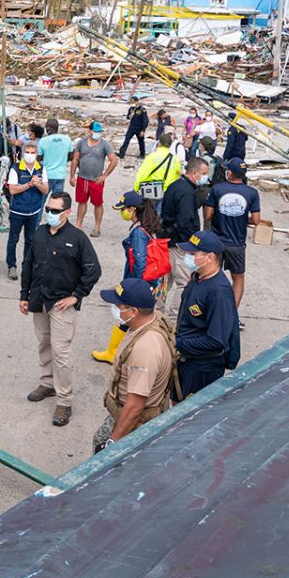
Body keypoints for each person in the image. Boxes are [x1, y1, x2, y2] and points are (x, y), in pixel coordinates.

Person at [19, 192, 101, 427]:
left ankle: (64, 400)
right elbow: (28, 264)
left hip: (61, 304)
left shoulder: (78, 238)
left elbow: (93, 270)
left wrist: (76, 296)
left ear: (67, 213)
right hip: (39, 300)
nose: (50, 214)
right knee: (44, 343)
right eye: (48, 209)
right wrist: (24, 295)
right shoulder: (40, 233)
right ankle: (47, 384)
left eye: (55, 211)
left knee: (60, 352)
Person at [92, 279, 178, 453]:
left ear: (133, 311)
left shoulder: (145, 349)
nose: (115, 309)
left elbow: (135, 406)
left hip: (137, 424)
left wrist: (112, 444)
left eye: (118, 305)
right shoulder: (153, 319)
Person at [93, 191, 165, 362]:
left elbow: (140, 261)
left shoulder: (139, 232)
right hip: (151, 281)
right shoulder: (147, 225)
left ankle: (115, 353)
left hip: (139, 281)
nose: (122, 212)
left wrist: (135, 287)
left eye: (124, 208)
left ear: (132, 209)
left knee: (128, 316)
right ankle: (114, 351)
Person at [175, 231, 240, 398]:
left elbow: (216, 340)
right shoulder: (197, 277)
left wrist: (178, 344)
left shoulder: (219, 292)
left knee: (188, 416)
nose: (187, 257)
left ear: (210, 257)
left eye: (192, 254)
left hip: (202, 368)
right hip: (186, 360)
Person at [204, 158, 261, 313]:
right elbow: (256, 221)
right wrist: (241, 217)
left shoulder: (217, 189)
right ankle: (230, 314)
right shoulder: (252, 193)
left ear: (229, 172)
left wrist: (221, 214)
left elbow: (208, 215)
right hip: (237, 244)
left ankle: (209, 311)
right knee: (238, 279)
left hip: (217, 242)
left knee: (210, 275)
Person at [161, 157, 209, 320]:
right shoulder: (186, 193)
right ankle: (174, 317)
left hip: (169, 241)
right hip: (180, 245)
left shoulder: (176, 185)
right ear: (194, 173)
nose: (206, 177)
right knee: (183, 282)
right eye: (204, 173)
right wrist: (191, 246)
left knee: (165, 281)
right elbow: (186, 221)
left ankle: (157, 313)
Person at [6, 140, 49, 281]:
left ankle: (27, 265)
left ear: (37, 154)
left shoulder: (41, 169)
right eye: (28, 152)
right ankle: (11, 266)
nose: (30, 155)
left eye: (33, 153)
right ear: (23, 153)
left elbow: (45, 190)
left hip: (34, 212)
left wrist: (38, 185)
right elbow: (12, 190)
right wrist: (29, 184)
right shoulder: (16, 168)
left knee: (30, 240)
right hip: (18, 211)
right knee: (13, 239)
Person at [70, 121, 118, 237]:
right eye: (95, 131)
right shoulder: (81, 143)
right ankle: (78, 224)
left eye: (99, 132)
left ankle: (97, 227)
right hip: (82, 178)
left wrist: (104, 175)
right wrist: (72, 176)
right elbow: (75, 159)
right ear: (89, 131)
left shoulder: (104, 144)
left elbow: (114, 160)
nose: (97, 133)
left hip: (96, 180)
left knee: (98, 203)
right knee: (81, 201)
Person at [133, 133, 182, 212]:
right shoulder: (175, 159)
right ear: (170, 145)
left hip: (151, 190)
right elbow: (177, 176)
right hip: (167, 192)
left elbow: (142, 174)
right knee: (161, 215)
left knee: (148, 215)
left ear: (159, 143)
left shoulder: (152, 156)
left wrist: (136, 188)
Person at [37, 117, 74, 196]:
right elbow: (71, 156)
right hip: (60, 175)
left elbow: (38, 159)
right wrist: (62, 159)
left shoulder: (43, 141)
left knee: (41, 200)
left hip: (47, 175)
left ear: (48, 128)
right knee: (56, 200)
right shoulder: (67, 139)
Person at [118, 96, 148, 160]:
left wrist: (143, 130)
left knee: (141, 142)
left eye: (134, 102)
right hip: (132, 128)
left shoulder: (142, 109)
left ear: (137, 101)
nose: (133, 103)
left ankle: (142, 154)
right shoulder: (131, 108)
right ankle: (121, 154)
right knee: (126, 140)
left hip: (139, 128)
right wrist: (130, 115)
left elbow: (145, 120)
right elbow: (128, 117)